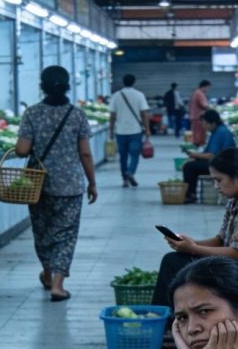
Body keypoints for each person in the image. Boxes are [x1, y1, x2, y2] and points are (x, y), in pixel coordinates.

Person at [151, 147, 238, 306]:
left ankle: (167, 321)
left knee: (174, 263)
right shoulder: (237, 198)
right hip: (237, 265)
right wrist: (191, 243)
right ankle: (170, 319)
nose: (216, 186)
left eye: (219, 180)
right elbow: (221, 240)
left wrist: (193, 249)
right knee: (176, 260)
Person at [15, 65, 97, 302]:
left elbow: (22, 150)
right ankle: (58, 285)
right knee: (66, 234)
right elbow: (85, 154)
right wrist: (92, 183)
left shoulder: (32, 113)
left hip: (37, 184)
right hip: (70, 185)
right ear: (68, 85)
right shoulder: (77, 115)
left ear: (42, 86)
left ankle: (48, 273)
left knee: (42, 232)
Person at [182, 109, 236, 203]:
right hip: (220, 162)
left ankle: (190, 195)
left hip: (222, 165)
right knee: (192, 165)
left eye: (205, 123)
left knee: (189, 167)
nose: (203, 126)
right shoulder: (218, 130)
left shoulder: (220, 132)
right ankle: (191, 193)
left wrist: (194, 154)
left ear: (213, 123)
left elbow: (211, 155)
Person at [109, 74, 151, 188]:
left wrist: (111, 130)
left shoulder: (116, 96)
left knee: (123, 157)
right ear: (134, 82)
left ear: (123, 82)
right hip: (135, 131)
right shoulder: (139, 95)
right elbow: (144, 114)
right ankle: (130, 172)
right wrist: (147, 129)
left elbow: (112, 115)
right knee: (135, 155)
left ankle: (124, 180)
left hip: (120, 132)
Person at [188, 80, 211, 147]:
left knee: (196, 133)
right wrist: (212, 108)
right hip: (198, 117)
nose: (208, 89)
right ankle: (198, 148)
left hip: (195, 116)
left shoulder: (196, 92)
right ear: (204, 86)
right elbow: (204, 105)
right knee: (199, 134)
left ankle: (197, 147)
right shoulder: (200, 93)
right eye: (208, 87)